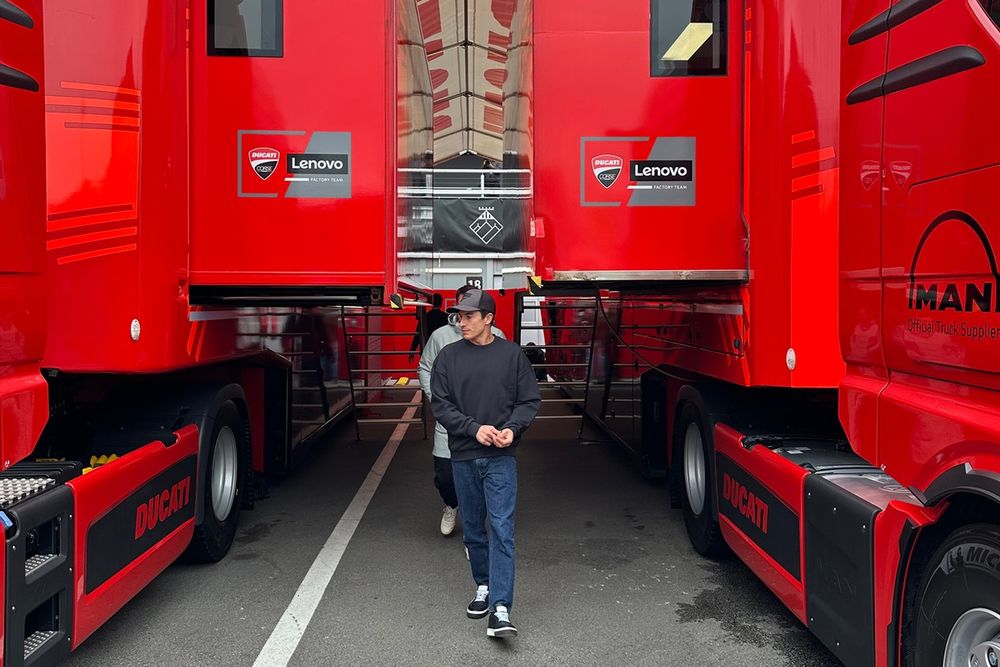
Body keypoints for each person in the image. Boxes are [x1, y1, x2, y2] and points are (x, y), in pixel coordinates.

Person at [430, 289, 540, 639]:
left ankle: (502, 608)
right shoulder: (447, 357)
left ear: (488, 318)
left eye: (469, 316)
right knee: (475, 530)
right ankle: (484, 585)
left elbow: (528, 401)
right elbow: (441, 405)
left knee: (503, 529)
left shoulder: (512, 356)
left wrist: (511, 429)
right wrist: (474, 429)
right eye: (459, 317)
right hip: (463, 455)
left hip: (501, 458)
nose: (461, 322)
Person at [418, 285, 506, 538]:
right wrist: (435, 397)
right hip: (450, 423)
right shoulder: (441, 336)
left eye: (470, 312)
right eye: (461, 310)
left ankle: (474, 535)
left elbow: (507, 375)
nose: (464, 318)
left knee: (480, 482)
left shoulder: (497, 336)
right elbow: (425, 367)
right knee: (445, 477)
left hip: (485, 423)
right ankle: (451, 504)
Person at [410, 293, 449, 361]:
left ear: (431, 303)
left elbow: (418, 334)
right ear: (441, 303)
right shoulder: (446, 317)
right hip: (442, 348)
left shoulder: (425, 317)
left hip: (428, 348)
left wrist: (412, 350)